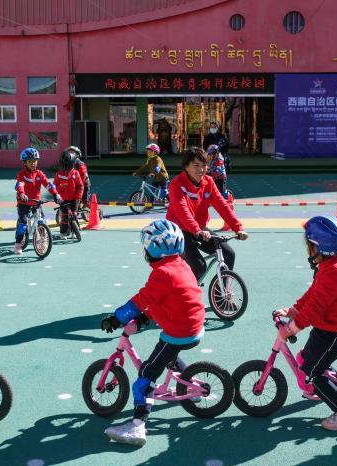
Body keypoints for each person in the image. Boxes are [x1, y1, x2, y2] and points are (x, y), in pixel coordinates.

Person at [101, 219, 204, 446]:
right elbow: (168, 300)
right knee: (170, 354)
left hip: (179, 330)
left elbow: (141, 300)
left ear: (153, 249)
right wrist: (145, 318)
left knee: (146, 375)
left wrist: (116, 318)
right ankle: (192, 385)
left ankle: (138, 426)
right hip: (192, 325)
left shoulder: (162, 274)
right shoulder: (181, 264)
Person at [274, 216, 337, 431]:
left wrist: (291, 328)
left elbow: (315, 309)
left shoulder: (335, 272)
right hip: (330, 326)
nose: (308, 249)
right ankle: (326, 380)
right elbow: (314, 294)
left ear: (320, 247)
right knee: (308, 358)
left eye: (310, 245)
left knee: (311, 372)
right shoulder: (330, 265)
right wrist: (294, 309)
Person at [166, 147, 247, 281]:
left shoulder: (208, 182)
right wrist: (197, 230)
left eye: (204, 165)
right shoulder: (177, 184)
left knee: (229, 254)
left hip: (199, 229)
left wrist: (238, 228)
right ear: (186, 166)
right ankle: (186, 296)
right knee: (199, 266)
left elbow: (222, 206)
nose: (201, 170)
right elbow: (183, 212)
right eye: (196, 165)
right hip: (179, 230)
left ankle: (222, 299)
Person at [14, 148, 62, 255]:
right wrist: (22, 194)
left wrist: (55, 194)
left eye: (34, 161)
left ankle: (42, 241)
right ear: (25, 163)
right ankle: (18, 244)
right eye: (30, 161)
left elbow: (48, 184)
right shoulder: (22, 174)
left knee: (42, 222)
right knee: (22, 224)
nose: (33, 163)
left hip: (36, 202)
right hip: (23, 202)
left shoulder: (39, 174)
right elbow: (20, 184)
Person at [54, 150, 84, 240]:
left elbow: (80, 186)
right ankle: (63, 232)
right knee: (64, 217)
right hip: (63, 199)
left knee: (74, 215)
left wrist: (78, 198)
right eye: (64, 166)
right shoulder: (59, 174)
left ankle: (75, 231)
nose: (66, 169)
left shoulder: (76, 173)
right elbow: (54, 187)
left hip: (74, 199)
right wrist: (60, 187)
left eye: (69, 166)